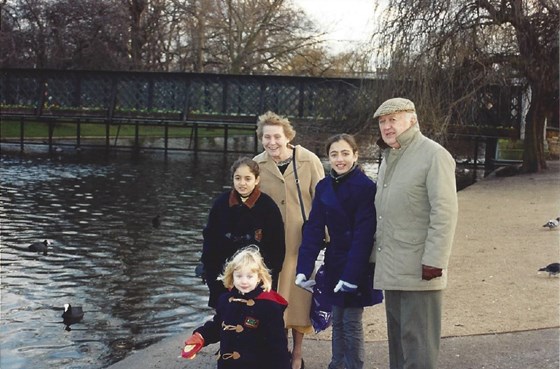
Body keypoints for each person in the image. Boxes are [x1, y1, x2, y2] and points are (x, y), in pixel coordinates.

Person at [371, 98, 458, 369]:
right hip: (393, 267)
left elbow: (444, 213)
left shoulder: (434, 155)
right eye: (383, 122)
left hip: (420, 268)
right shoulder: (389, 158)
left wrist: (434, 261)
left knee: (418, 347)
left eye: (393, 120)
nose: (387, 126)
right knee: (397, 345)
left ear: (412, 120)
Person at [295, 133, 383, 369]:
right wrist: (304, 269)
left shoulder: (366, 188)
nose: (339, 159)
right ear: (328, 157)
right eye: (334, 154)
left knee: (351, 321)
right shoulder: (323, 186)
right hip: (335, 260)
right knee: (338, 319)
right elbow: (313, 229)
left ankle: (352, 365)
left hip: (358, 262)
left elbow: (364, 237)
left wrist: (351, 276)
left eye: (345, 153)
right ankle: (336, 364)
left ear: (356, 155)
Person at [253, 111, 325, 369]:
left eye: (277, 136)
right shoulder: (256, 164)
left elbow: (322, 199)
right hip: (268, 246)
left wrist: (325, 236)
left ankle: (297, 354)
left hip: (300, 243)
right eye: (266, 137)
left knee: (299, 301)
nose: (272, 142)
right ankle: (278, 352)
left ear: (288, 137)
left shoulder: (308, 160)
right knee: (272, 299)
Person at [182, 246, 291, 369]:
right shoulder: (225, 300)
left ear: (259, 277)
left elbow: (278, 346)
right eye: (239, 276)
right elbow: (218, 325)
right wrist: (201, 336)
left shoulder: (268, 306)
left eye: (249, 276)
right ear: (231, 276)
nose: (244, 281)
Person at [201, 157, 286, 308]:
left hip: (256, 276)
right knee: (225, 318)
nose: (242, 183)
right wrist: (210, 273)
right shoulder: (221, 204)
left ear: (257, 179)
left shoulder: (268, 207)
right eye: (238, 178)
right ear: (232, 179)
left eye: (248, 178)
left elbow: (277, 247)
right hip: (224, 274)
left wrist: (266, 277)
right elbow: (210, 240)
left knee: (256, 320)